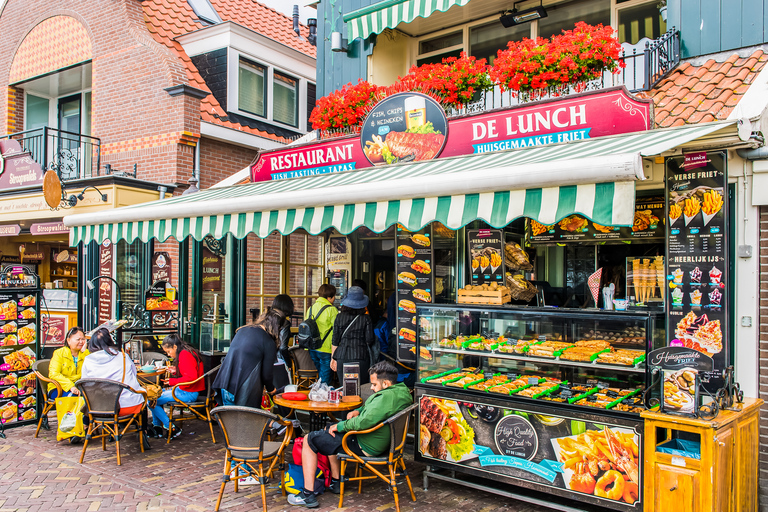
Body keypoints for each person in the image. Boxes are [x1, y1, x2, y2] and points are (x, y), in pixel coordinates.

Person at [287, 361, 412, 508]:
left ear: (385, 383)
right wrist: (359, 410)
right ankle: (336, 482)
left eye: (374, 385)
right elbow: (373, 408)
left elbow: (362, 423)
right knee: (328, 430)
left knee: (310, 439)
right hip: (384, 442)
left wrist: (340, 426)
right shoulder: (401, 392)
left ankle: (308, 495)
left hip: (365, 444)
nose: (371, 388)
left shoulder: (385, 398)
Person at [213, 294, 295, 408]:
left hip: (224, 385)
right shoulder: (268, 341)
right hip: (241, 391)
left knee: (231, 423)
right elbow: (267, 374)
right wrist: (271, 389)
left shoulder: (243, 330)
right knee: (245, 424)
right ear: (277, 327)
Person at [80, 328, 147, 422]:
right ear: (110, 341)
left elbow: (85, 383)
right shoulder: (123, 356)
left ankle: (108, 432)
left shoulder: (87, 360)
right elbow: (134, 374)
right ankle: (142, 431)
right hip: (128, 406)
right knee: (143, 396)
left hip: (98, 408)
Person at [148, 334, 204, 439]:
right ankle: (157, 427)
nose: (169, 354)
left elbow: (191, 378)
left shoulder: (184, 355)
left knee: (151, 399)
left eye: (169, 351)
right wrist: (176, 371)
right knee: (154, 396)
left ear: (174, 347)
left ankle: (170, 427)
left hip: (187, 393)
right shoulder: (187, 352)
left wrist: (173, 381)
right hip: (189, 390)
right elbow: (189, 374)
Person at [330, 286, 375, 386]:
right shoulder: (366, 319)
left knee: (345, 388)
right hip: (360, 356)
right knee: (360, 388)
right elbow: (369, 339)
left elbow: (335, 340)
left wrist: (333, 358)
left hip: (342, 356)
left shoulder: (339, 317)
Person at [305, 284, 338, 384]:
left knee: (321, 376)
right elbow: (337, 331)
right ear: (329, 297)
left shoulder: (310, 308)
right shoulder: (332, 310)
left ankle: (319, 394)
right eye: (334, 296)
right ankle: (321, 397)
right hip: (326, 349)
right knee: (325, 380)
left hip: (312, 348)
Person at [48, 327, 89, 399]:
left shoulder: (86, 353)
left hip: (79, 386)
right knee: (74, 397)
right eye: (78, 339)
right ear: (68, 340)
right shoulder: (59, 353)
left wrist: (84, 352)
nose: (81, 342)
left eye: (83, 339)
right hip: (59, 387)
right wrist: (70, 386)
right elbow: (54, 374)